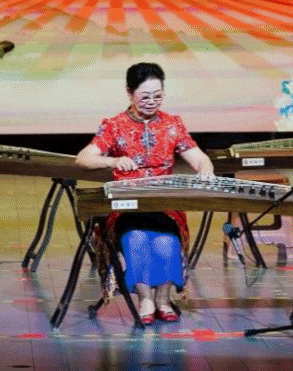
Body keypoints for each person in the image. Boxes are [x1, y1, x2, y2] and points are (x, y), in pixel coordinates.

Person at [75, 62, 215, 324]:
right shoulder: (114, 126)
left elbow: (198, 157)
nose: (152, 102)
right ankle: (146, 299)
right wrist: (113, 161)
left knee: (166, 242)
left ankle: (163, 298)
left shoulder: (172, 124)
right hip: (127, 207)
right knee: (136, 239)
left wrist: (205, 168)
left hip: (164, 205)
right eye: (145, 96)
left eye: (158, 96)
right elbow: (83, 158)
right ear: (130, 93)